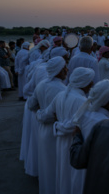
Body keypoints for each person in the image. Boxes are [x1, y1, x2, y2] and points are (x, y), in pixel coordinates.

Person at [42, 67, 95, 194]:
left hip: (61, 141)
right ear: (84, 83)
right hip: (74, 142)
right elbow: (78, 125)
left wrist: (57, 124)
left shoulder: (61, 95)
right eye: (90, 81)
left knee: (63, 172)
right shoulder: (82, 101)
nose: (92, 84)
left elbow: (48, 113)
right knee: (73, 175)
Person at [27, 56, 68, 194]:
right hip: (56, 131)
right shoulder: (62, 89)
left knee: (46, 165)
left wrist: (40, 112)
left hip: (43, 130)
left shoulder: (41, 84)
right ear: (58, 70)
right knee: (57, 165)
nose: (67, 70)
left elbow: (31, 104)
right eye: (64, 68)